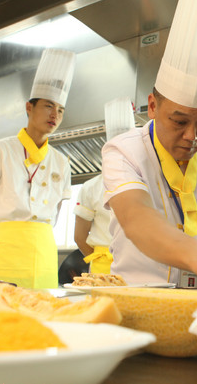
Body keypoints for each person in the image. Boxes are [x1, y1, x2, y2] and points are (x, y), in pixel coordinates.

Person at [101, 0, 197, 291]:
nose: (192, 136)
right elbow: (137, 219)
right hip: (139, 295)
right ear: (152, 106)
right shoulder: (123, 151)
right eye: (179, 121)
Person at [0, 48, 76, 289]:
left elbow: (56, 213)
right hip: (5, 253)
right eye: (48, 106)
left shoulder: (61, 161)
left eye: (60, 110)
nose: (54, 115)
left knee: (41, 318)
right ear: (29, 107)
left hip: (46, 255)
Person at [73, 97, 135, 274]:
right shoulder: (91, 187)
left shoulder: (147, 181)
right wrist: (100, 257)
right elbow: (79, 237)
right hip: (103, 266)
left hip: (138, 263)